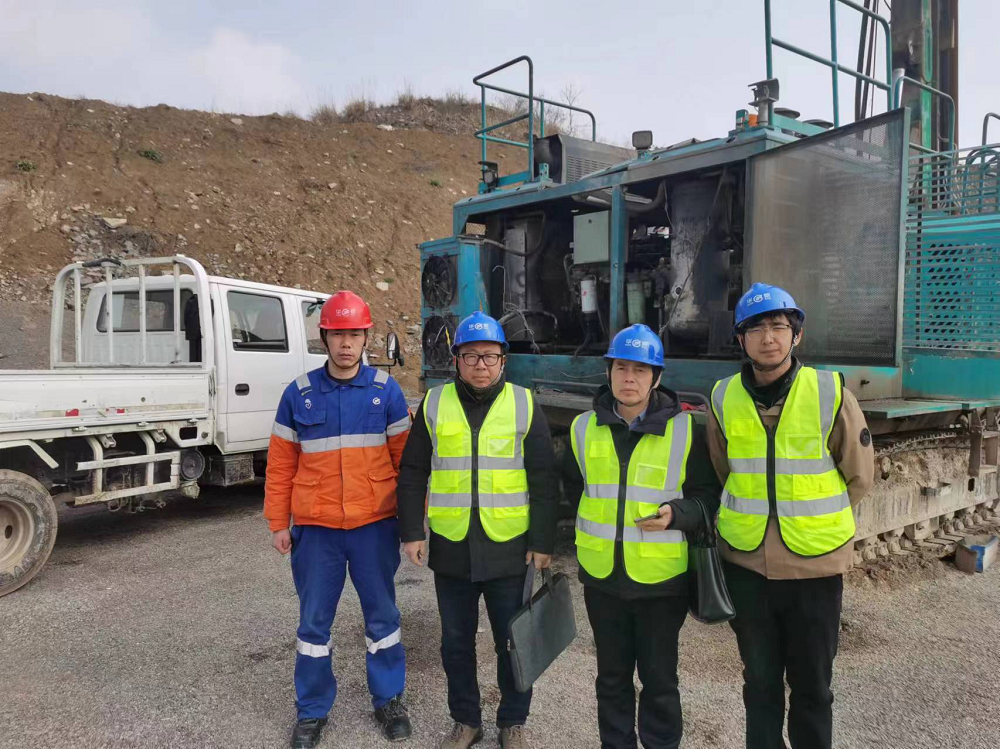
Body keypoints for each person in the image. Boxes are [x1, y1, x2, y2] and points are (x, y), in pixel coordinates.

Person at [707, 283, 874, 749]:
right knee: (759, 685)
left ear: (796, 335)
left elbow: (859, 476)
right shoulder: (722, 398)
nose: (768, 338)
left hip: (814, 570)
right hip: (748, 568)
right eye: (755, 328)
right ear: (740, 339)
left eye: (779, 326)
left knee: (813, 688)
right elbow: (724, 470)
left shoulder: (829, 392)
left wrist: (812, 523)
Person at [395, 311, 558, 749]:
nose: (480, 365)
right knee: (455, 643)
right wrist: (412, 532)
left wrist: (543, 541)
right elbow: (413, 471)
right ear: (456, 360)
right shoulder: (434, 404)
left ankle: (513, 722)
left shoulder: (524, 404)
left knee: (514, 642)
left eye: (489, 356)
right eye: (471, 356)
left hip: (510, 549)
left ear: (504, 360)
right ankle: (466, 720)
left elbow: (545, 480)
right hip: (453, 548)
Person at [264, 290, 414, 748]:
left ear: (366, 337)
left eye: (354, 334)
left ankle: (389, 700)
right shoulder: (299, 395)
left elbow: (407, 464)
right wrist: (278, 522)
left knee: (382, 617)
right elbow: (280, 465)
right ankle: (311, 712)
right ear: (324, 338)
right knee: (313, 625)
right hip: (317, 532)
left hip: (374, 527)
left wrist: (411, 526)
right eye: (337, 334)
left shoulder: (385, 392)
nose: (346, 344)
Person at [563, 323, 721, 749]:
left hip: (660, 584)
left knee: (659, 681)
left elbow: (709, 498)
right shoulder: (582, 429)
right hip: (602, 580)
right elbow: (573, 490)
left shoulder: (686, 431)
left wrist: (677, 515)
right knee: (611, 679)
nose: (629, 378)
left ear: (656, 377)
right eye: (621, 368)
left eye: (639, 369)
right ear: (609, 372)